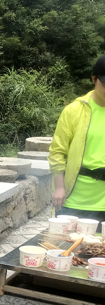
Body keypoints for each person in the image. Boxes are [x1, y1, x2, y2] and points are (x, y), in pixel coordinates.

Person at [50, 54, 105, 223]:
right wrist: (59, 187)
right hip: (74, 198)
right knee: (68, 241)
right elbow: (57, 152)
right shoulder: (74, 110)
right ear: (93, 78)